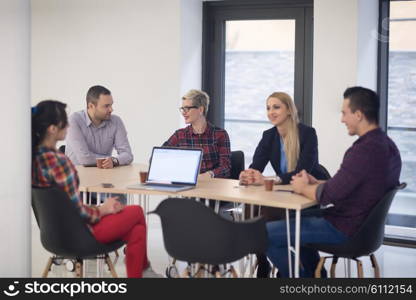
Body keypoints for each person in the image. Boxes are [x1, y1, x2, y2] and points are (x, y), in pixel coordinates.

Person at [266, 87, 402, 277]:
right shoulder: (387, 145)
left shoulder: (364, 150)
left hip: (346, 227)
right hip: (363, 227)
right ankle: (317, 276)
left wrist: (303, 187)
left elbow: (328, 195)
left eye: (344, 113)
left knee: (265, 234)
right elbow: (353, 185)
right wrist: (317, 182)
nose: (342, 119)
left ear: (359, 114)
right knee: (290, 220)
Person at [32, 100, 161, 278]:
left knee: (136, 231)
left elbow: (66, 207)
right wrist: (103, 209)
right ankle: (143, 271)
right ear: (53, 129)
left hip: (52, 237)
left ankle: (141, 273)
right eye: (64, 121)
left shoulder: (33, 158)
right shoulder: (59, 162)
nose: (68, 125)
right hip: (80, 235)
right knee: (137, 212)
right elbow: (80, 212)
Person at [238, 91, 326, 277]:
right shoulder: (268, 136)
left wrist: (272, 180)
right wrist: (249, 175)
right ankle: (264, 263)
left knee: (268, 216)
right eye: (268, 108)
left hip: (307, 192)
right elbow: (257, 166)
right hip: (284, 192)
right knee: (252, 209)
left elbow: (304, 171)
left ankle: (301, 269)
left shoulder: (308, 134)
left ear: (289, 110)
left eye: (276, 107)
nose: (271, 112)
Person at [163, 89, 231, 179]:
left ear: (200, 109)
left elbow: (226, 168)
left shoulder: (220, 134)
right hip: (188, 189)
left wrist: (209, 175)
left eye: (187, 108)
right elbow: (158, 158)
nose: (184, 112)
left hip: (213, 187)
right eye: (182, 109)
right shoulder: (179, 135)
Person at [66, 85, 133, 168]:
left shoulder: (116, 121)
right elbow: (84, 159)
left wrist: (114, 161)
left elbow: (127, 155)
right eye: (106, 106)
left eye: (111, 105)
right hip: (77, 175)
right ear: (91, 106)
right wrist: (109, 160)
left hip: (104, 173)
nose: (111, 110)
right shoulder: (74, 120)